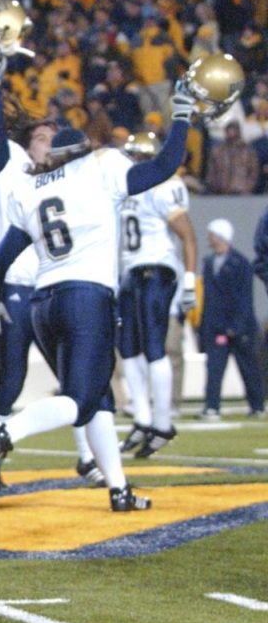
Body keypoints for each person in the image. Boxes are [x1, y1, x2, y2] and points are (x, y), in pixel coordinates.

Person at [0, 78, 202, 512]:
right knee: (80, 400)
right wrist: (181, 115)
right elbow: (164, 166)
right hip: (87, 297)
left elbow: (0, 261)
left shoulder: (31, 188)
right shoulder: (102, 166)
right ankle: (3, 433)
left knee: (99, 399)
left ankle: (119, 489)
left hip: (45, 302)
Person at [0, 47, 105, 491]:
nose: (54, 141)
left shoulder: (69, 177)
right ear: (26, 143)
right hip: (11, 285)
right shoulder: (8, 167)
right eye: (46, 136)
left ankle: (88, 458)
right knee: (11, 380)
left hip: (53, 287)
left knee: (80, 381)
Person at [115, 131, 198, 457]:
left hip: (157, 269)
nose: (133, 162)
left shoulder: (164, 185)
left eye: (137, 157)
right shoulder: (122, 187)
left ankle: (163, 423)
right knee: (129, 349)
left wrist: (190, 281)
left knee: (153, 347)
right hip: (131, 272)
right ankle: (143, 418)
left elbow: (188, 236)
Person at [199, 218, 265, 418]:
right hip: (216, 327)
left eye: (212, 234)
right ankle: (212, 406)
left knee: (248, 369)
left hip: (239, 328)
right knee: (214, 369)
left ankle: (257, 405)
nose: (209, 238)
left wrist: (236, 327)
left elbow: (244, 298)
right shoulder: (209, 263)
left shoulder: (240, 263)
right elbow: (209, 300)